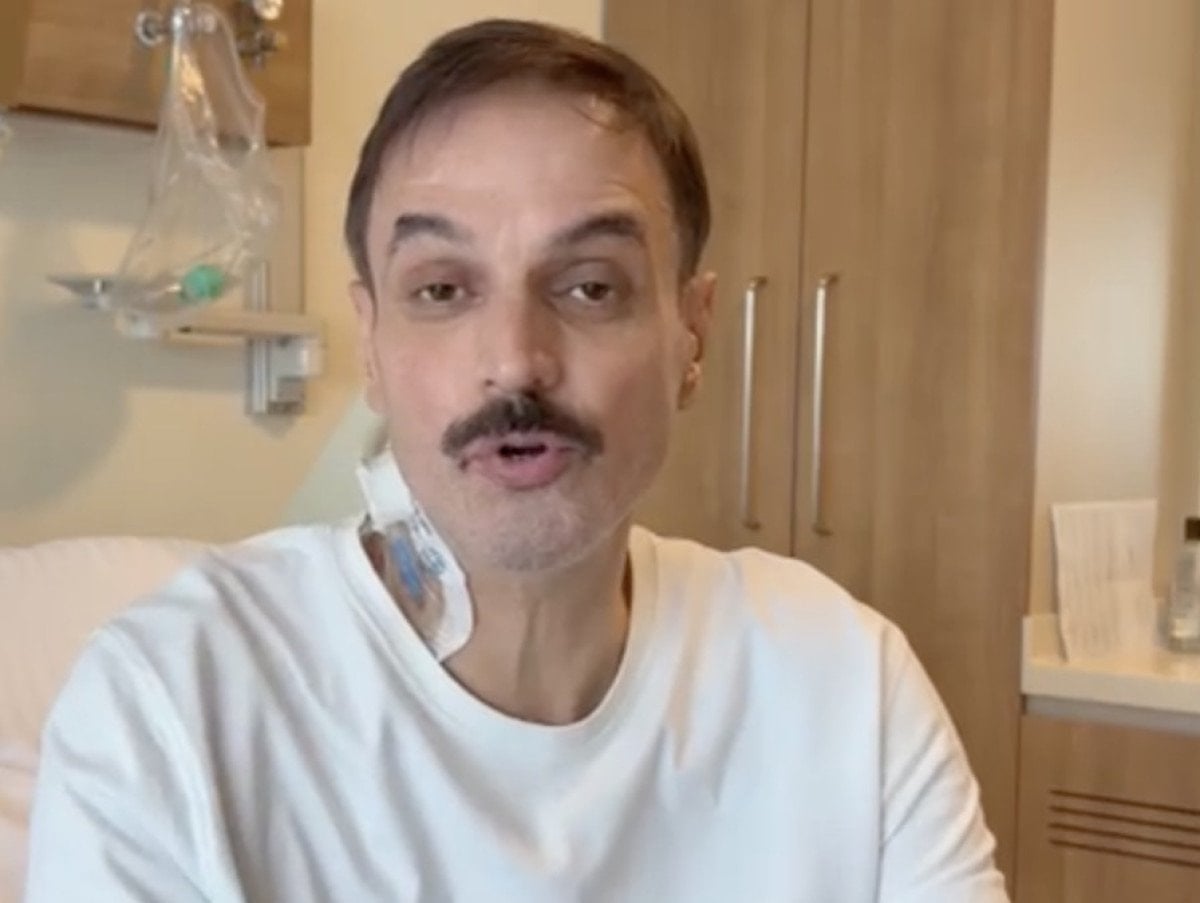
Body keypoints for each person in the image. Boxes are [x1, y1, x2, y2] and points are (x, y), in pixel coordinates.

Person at [24, 19, 1007, 903]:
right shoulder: (167, 708)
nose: (515, 360)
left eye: (590, 287)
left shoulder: (843, 687)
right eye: (442, 290)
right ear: (372, 345)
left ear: (693, 334)